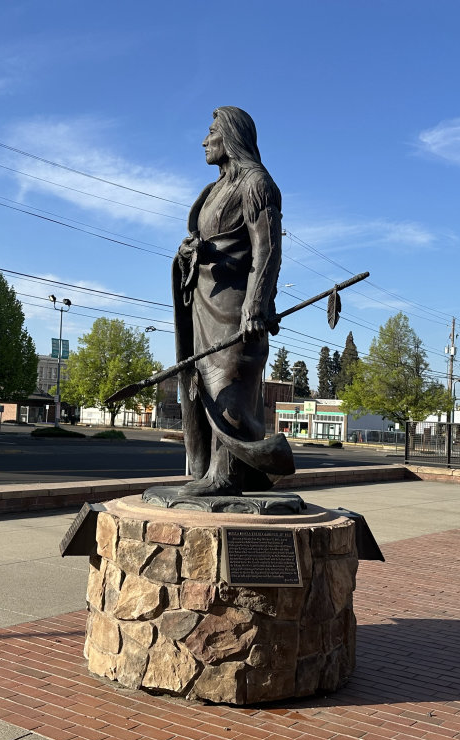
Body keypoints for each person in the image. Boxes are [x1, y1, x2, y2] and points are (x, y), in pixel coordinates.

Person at [173, 107, 294, 496]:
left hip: (237, 308)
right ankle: (211, 471)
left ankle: (226, 477)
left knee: (231, 384)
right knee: (205, 384)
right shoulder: (213, 190)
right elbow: (207, 242)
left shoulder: (257, 184)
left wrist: (256, 305)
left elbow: (268, 250)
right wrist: (190, 250)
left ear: (230, 136)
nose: (204, 141)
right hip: (204, 302)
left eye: (211, 132)